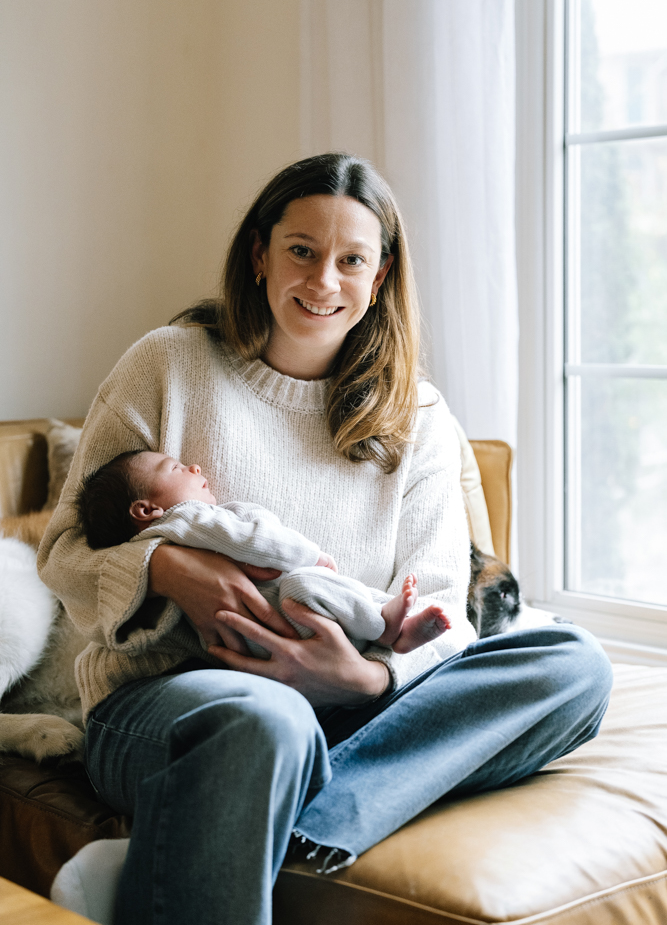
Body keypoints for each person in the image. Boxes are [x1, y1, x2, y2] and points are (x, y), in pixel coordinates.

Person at [38, 153, 613, 925]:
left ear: (379, 277)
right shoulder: (168, 364)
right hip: (172, 704)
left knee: (572, 664)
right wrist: (168, 569)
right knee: (263, 720)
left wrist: (365, 680)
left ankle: (249, 831)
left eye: (351, 260)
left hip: (353, 708)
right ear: (259, 255)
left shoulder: (418, 418)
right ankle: (231, 809)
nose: (322, 281)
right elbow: (63, 557)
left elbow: (444, 611)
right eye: (301, 251)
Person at [75, 448, 451, 655]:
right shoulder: (187, 519)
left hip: (263, 642)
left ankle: (389, 618)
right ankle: (384, 629)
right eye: (174, 468)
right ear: (146, 510)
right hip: (282, 621)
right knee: (306, 583)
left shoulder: (167, 537)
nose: (194, 466)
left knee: (333, 591)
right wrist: (309, 556)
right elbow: (254, 542)